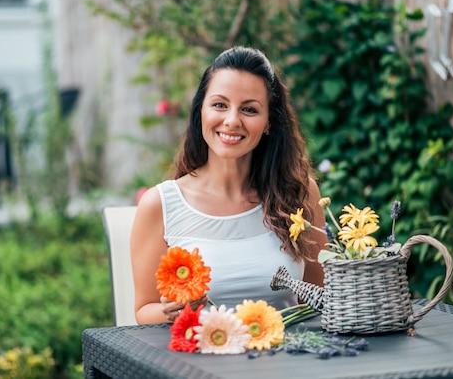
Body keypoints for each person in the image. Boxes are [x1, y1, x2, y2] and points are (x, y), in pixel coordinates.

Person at [130, 46, 327, 325]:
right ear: (201, 112)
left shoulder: (300, 194)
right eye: (220, 105)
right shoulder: (160, 205)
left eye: (249, 109)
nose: (232, 121)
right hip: (199, 363)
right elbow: (143, 311)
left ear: (269, 121)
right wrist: (169, 311)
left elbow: (321, 299)